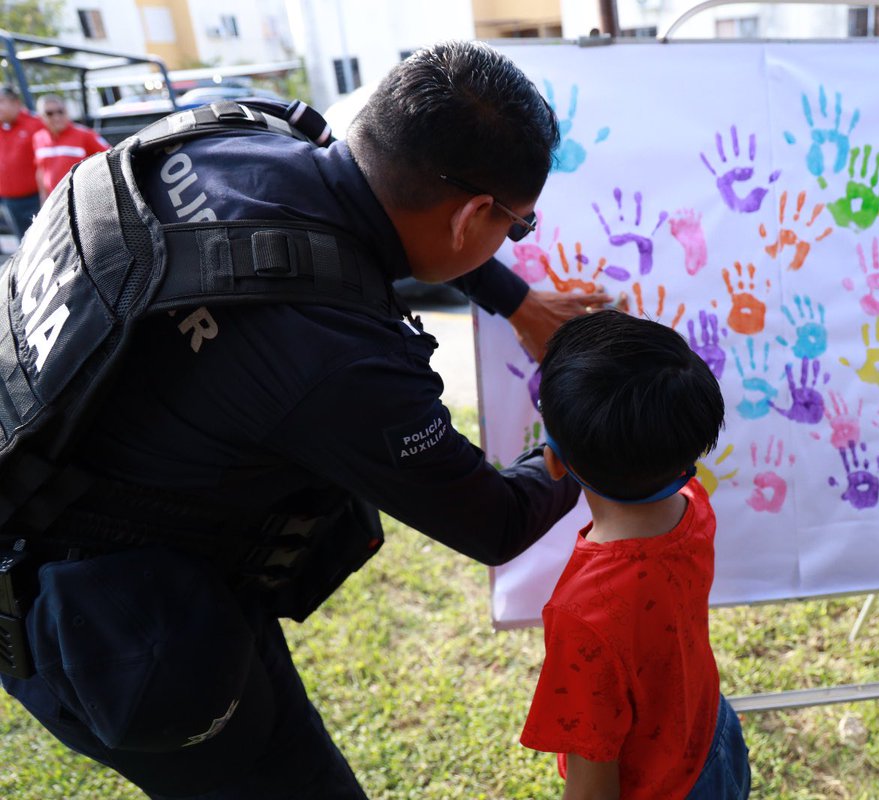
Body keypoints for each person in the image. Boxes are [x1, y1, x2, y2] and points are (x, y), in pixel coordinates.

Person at [0, 41, 609, 798]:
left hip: (86, 500)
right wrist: (601, 433)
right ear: (475, 214)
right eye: (516, 226)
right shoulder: (342, 361)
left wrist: (514, 299)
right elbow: (497, 520)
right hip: (111, 624)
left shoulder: (236, 129)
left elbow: (395, 213)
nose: (511, 237)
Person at [521, 310, 752, 800]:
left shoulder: (583, 614)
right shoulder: (695, 508)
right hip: (713, 735)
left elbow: (592, 780)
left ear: (556, 462)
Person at [32, 93, 109, 200]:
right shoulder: (38, 138)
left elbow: (110, 158)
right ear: (41, 116)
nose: (56, 117)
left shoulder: (85, 134)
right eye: (49, 113)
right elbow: (41, 170)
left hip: (82, 199)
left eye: (60, 111)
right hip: (54, 201)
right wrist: (43, 200)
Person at [0, 84, 45, 239]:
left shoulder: (36, 124)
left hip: (36, 199)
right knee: (23, 244)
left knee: (42, 241)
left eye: (1, 101)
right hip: (9, 202)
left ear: (15, 103)